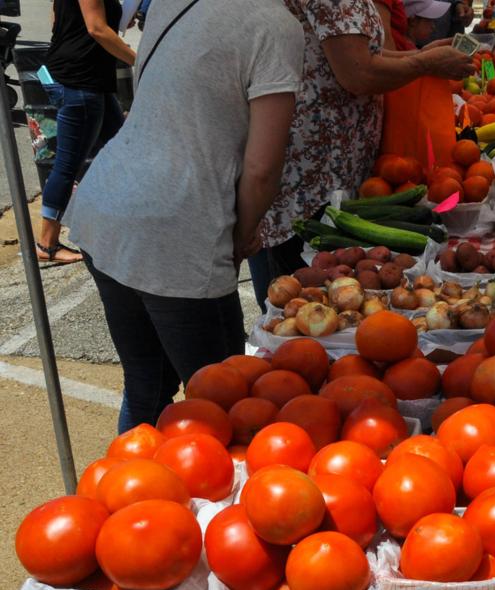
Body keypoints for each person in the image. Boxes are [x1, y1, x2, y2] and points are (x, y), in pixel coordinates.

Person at [64, 0, 303, 431]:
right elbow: (262, 168)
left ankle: (129, 491)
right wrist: (241, 237)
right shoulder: (275, 25)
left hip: (107, 202)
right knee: (223, 407)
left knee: (146, 387)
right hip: (177, 222)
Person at [252, 0, 474, 301]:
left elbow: (365, 53)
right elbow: (359, 73)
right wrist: (426, 63)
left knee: (337, 294)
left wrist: (422, 54)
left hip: (335, 167)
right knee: (306, 297)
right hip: (315, 175)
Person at [38, 0, 136, 264]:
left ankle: (121, 224)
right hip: (79, 84)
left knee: (123, 153)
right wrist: (142, 61)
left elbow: (60, 21)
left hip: (85, 81)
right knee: (68, 165)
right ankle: (47, 243)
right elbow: (97, 29)